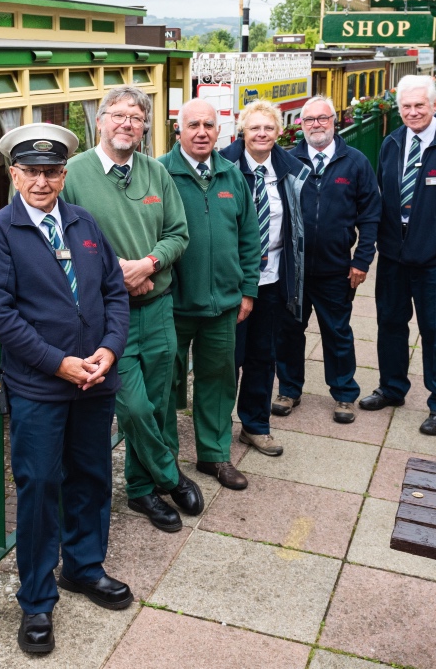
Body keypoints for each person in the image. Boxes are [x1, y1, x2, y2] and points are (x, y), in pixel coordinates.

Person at [0, 122, 133, 655]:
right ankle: (37, 600)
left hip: (96, 379)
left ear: (64, 174)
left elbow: (114, 292)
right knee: (40, 487)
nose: (42, 181)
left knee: (91, 475)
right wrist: (58, 363)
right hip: (40, 388)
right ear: (15, 175)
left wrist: (109, 349)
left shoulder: (85, 223)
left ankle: (84, 568)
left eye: (51, 172)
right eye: (31, 172)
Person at [62, 86, 197, 533]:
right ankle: (169, 474)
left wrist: (148, 264)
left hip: (158, 307)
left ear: (144, 127)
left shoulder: (156, 173)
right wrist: (107, 273)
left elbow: (178, 233)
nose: (127, 124)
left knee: (159, 404)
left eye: (136, 118)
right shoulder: (73, 175)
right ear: (99, 121)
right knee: (134, 406)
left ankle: (142, 491)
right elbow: (52, 238)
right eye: (117, 115)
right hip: (106, 317)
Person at [360, 74, 436, 435]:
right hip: (394, 256)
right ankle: (392, 388)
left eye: (419, 106)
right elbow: (385, 190)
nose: (413, 112)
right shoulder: (392, 143)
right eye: (406, 107)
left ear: (434, 105)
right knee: (391, 324)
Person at [159, 98, 261, 490]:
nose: (202, 132)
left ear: (220, 132)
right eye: (193, 125)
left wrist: (247, 290)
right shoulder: (160, 174)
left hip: (223, 305)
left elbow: (250, 238)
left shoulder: (232, 176)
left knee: (218, 381)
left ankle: (214, 456)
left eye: (209, 125)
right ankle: (165, 462)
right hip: (171, 304)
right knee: (165, 384)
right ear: (178, 131)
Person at [274, 96, 381, 424]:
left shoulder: (356, 162)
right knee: (289, 331)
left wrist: (362, 260)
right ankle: (289, 389)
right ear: (301, 126)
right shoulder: (289, 162)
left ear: (335, 122)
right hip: (295, 268)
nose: (316, 125)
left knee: (337, 331)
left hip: (337, 268)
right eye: (309, 120)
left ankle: (344, 394)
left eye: (323, 119)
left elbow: (371, 214)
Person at [220, 100, 309, 457]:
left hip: (271, 281)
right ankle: (214, 428)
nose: (261, 134)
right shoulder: (222, 166)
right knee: (227, 358)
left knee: (262, 355)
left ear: (278, 132)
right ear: (242, 131)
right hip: (230, 282)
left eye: (268, 128)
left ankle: (255, 426)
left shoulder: (291, 170)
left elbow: (297, 227)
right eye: (254, 127)